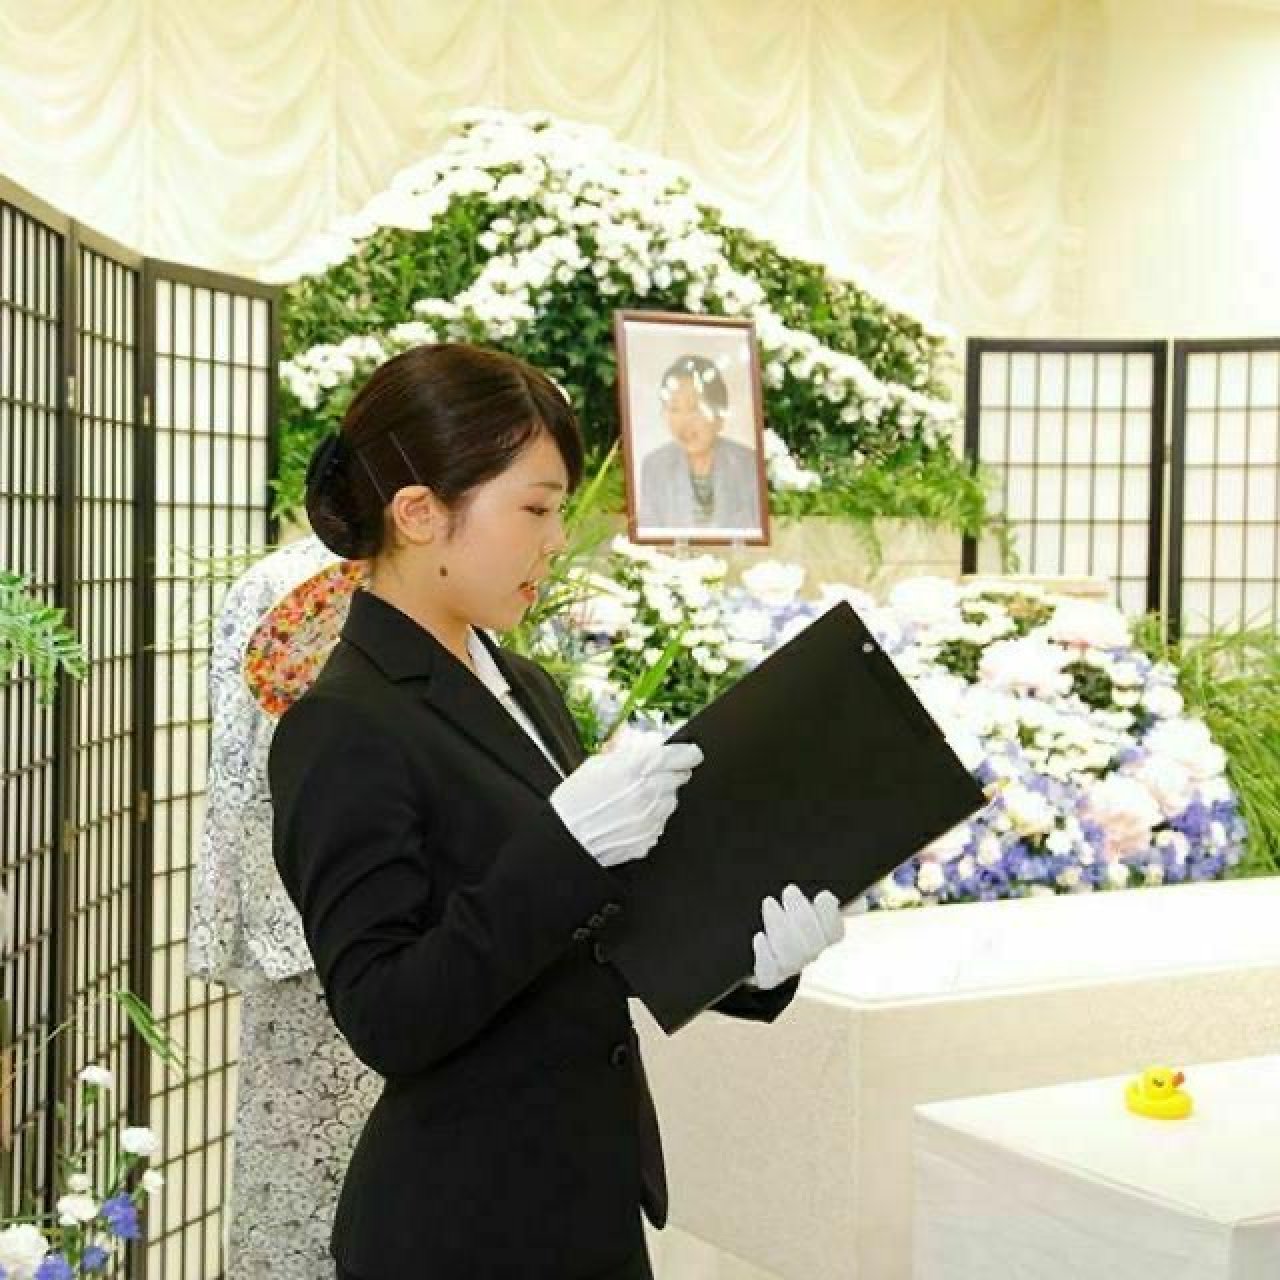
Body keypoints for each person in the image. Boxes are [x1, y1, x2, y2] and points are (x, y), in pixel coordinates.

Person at [267, 343, 845, 1280]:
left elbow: (594, 936)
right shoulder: (343, 724)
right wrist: (566, 849)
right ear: (418, 513)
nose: (555, 540)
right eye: (535, 508)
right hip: (460, 1229)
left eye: (560, 511)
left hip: (586, 1197)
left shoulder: (522, 686)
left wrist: (747, 959)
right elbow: (386, 1017)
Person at [189, 536, 382, 1279]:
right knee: (307, 1185)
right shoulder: (300, 587)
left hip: (324, 926)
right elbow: (244, 770)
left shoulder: (424, 575)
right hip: (314, 935)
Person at [637, 353, 763, 532]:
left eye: (695, 408)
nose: (683, 421)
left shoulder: (748, 463)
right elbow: (649, 533)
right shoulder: (654, 466)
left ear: (719, 414)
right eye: (674, 408)